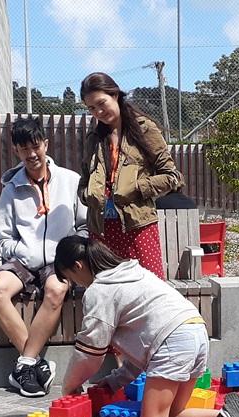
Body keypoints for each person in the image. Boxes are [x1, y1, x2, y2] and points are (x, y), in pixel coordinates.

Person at [55, 236, 239, 417]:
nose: (76, 284)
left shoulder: (99, 291)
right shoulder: (133, 272)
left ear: (78, 266)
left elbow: (90, 351)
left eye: (71, 278)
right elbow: (144, 345)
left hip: (173, 341)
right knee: (174, 414)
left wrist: (69, 385)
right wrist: (116, 379)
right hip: (196, 331)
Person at [0, 117, 87, 398]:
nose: (31, 154)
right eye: (23, 149)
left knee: (57, 288)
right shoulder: (11, 189)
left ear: (46, 144)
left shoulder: (70, 180)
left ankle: (25, 366)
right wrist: (24, 252)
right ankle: (33, 363)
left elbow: (83, 225)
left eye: (35, 146)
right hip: (22, 260)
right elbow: (3, 239)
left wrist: (70, 251)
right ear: (16, 152)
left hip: (60, 260)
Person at [79, 72, 178, 280]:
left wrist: (137, 188)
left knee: (149, 291)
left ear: (115, 95)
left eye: (101, 103)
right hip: (101, 230)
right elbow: (84, 179)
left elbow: (171, 176)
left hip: (138, 226)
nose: (98, 111)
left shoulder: (144, 129)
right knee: (109, 293)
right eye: (91, 108)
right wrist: (87, 195)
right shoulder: (94, 138)